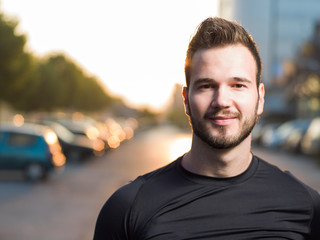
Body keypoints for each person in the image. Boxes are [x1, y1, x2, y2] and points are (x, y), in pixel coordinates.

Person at [93, 17, 320, 240]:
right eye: (206, 86)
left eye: (238, 85)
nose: (221, 100)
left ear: (260, 98)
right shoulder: (127, 209)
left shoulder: (306, 206)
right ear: (186, 100)